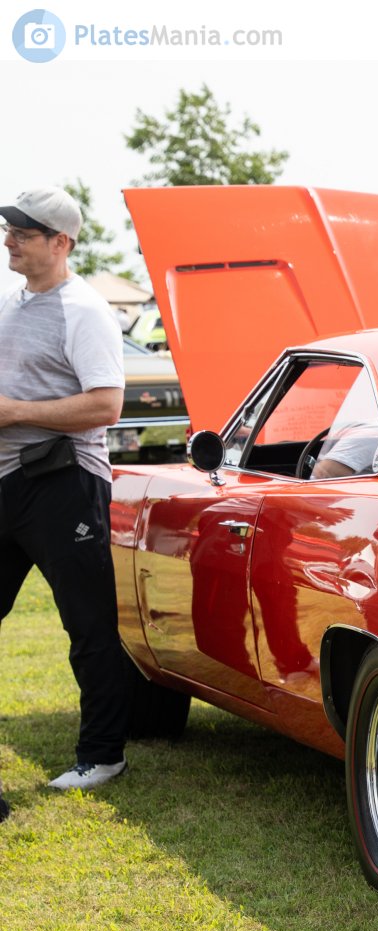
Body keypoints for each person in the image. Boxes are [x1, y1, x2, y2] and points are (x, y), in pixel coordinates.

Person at [0, 187, 131, 791]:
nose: (9, 242)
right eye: (9, 232)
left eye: (23, 235)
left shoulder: (84, 310)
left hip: (64, 483)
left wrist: (12, 412)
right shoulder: (11, 303)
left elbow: (106, 405)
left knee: (87, 623)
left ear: (62, 242)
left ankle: (103, 755)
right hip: (7, 482)